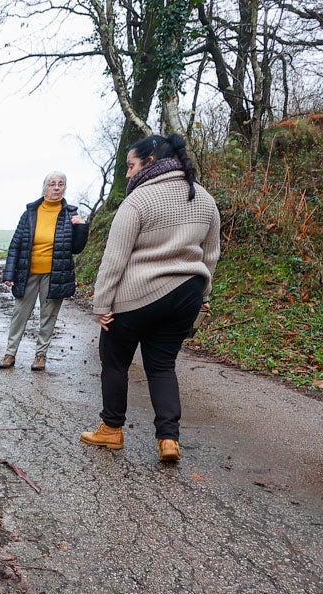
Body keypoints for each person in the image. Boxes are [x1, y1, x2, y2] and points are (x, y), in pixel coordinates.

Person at [82, 133, 221, 463]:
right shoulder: (203, 198)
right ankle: (168, 440)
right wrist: (203, 293)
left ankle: (111, 430)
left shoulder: (138, 200)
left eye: (131, 166)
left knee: (115, 360)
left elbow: (115, 258)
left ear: (151, 161)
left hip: (137, 295)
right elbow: (211, 254)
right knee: (162, 366)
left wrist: (102, 305)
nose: (128, 174)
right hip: (186, 293)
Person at [0, 172, 89, 371]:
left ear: (64, 188)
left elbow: (76, 248)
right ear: (45, 187)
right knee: (19, 314)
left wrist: (81, 227)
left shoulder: (71, 214)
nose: (57, 188)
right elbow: (16, 244)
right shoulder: (31, 212)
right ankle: (10, 353)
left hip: (55, 274)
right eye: (52, 184)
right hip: (27, 272)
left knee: (48, 316)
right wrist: (9, 273)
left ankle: (40, 356)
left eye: (61, 184)